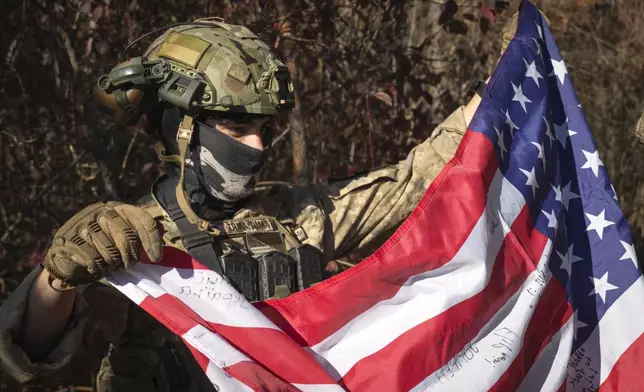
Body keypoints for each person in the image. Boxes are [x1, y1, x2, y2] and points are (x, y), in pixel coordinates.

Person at [0, 15, 510, 392]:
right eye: (237, 128)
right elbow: (31, 359)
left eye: (263, 129)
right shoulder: (132, 242)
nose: (259, 148)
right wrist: (57, 279)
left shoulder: (298, 218)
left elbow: (414, 183)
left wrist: (504, 86)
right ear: (181, 129)